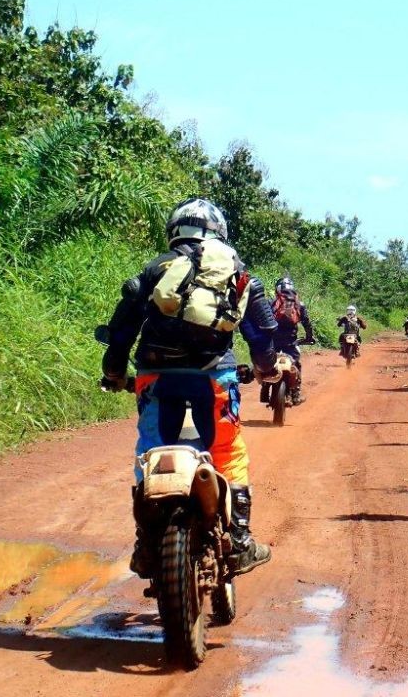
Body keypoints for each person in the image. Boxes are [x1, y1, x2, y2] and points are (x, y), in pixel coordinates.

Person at [100, 197, 277, 579]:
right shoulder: (237, 272)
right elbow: (261, 336)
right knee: (227, 451)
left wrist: (114, 373)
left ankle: (146, 544)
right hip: (214, 378)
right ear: (219, 232)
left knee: (150, 451)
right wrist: (267, 371)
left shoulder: (155, 269)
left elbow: (121, 333)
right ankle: (239, 542)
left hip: (155, 376)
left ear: (174, 231)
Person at [267, 276, 315, 405]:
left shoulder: (271, 303)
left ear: (277, 289)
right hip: (291, 343)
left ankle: (265, 389)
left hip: (272, 342)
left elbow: (262, 321)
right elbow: (307, 324)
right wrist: (309, 337)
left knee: (266, 364)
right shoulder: (299, 304)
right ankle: (295, 395)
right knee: (296, 365)